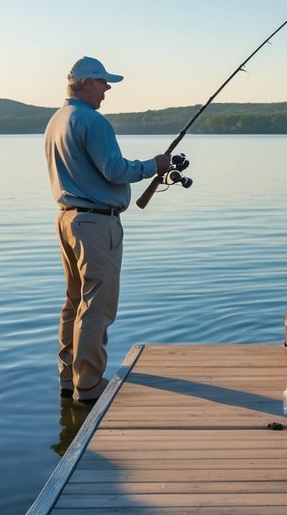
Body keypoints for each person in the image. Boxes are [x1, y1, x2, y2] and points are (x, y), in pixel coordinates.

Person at [44, 56, 169, 403]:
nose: (107, 89)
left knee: (74, 301)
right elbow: (114, 170)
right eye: (102, 83)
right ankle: (89, 386)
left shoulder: (57, 120)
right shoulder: (93, 121)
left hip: (66, 220)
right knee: (97, 306)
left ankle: (69, 378)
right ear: (85, 83)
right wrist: (151, 166)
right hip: (97, 224)